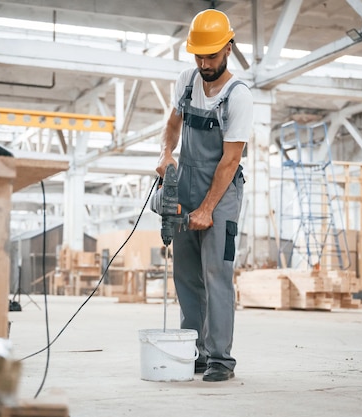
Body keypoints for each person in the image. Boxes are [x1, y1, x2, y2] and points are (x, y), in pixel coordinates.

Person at [155, 9, 253, 382]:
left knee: (216, 274)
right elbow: (172, 124)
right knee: (186, 275)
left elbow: (230, 162)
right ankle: (193, 350)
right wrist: (166, 154)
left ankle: (220, 360)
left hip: (221, 193)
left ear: (228, 48)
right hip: (186, 184)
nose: (204, 63)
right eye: (199, 55)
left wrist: (208, 209)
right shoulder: (186, 81)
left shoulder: (238, 97)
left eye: (211, 56)